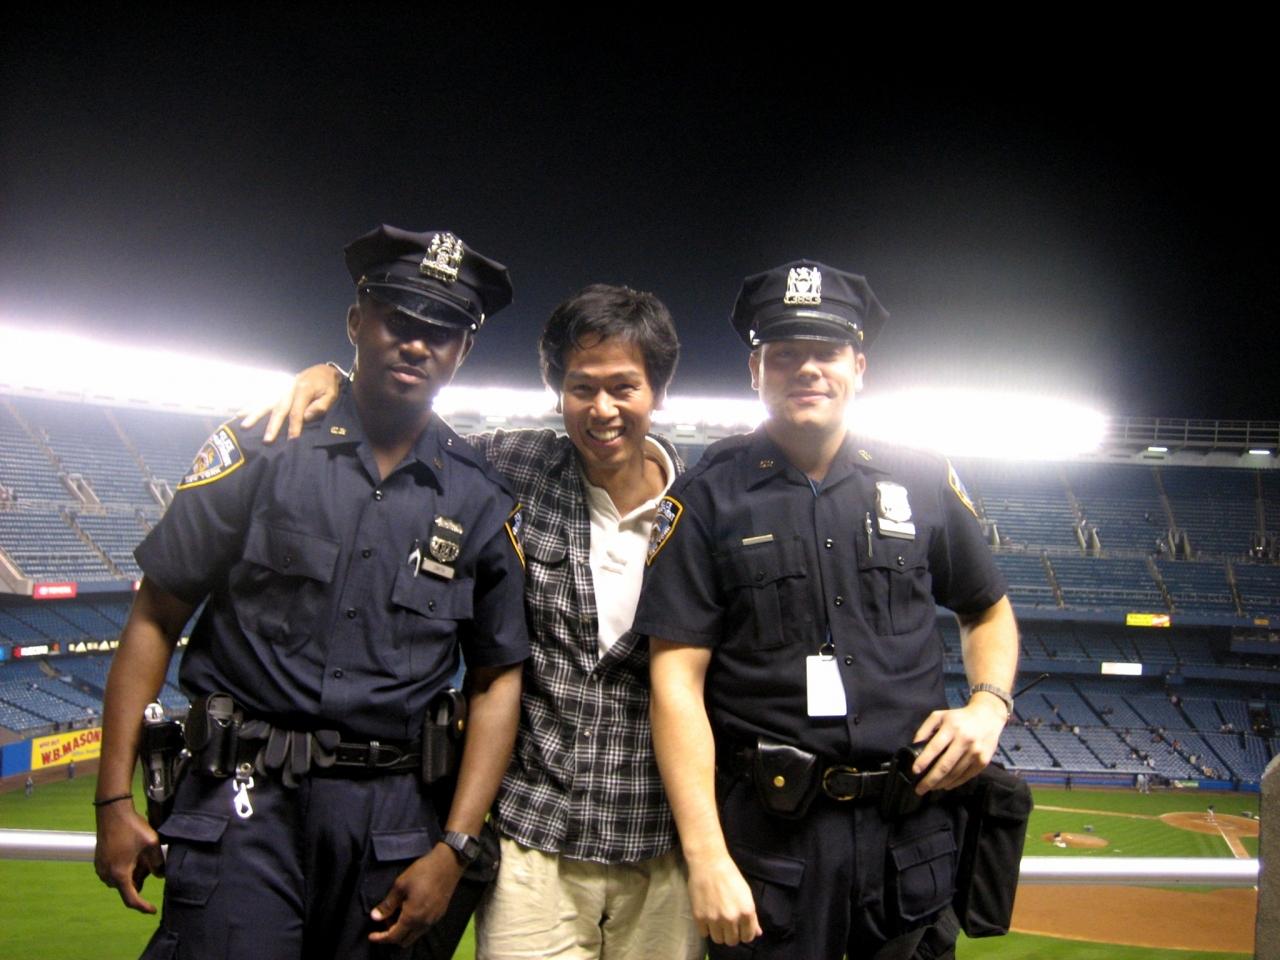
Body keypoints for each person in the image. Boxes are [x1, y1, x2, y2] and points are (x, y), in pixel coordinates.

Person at [93, 225, 529, 959]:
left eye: (441, 331)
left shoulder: (481, 498)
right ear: (357, 321)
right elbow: (155, 616)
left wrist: (455, 846)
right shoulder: (261, 445)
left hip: (393, 825)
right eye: (398, 319)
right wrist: (111, 799)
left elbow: (495, 682)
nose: (416, 343)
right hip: (243, 802)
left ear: (463, 351)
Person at [253, 284, 703, 959]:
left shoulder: (703, 505)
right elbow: (407, 428)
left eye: (624, 388)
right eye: (581, 388)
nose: (602, 409)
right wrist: (335, 379)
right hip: (533, 844)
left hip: (660, 844)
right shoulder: (512, 464)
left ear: (657, 392)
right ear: (557, 391)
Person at [636, 260, 1020, 959]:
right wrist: (707, 856)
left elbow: (987, 610)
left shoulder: (921, 477)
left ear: (858, 367)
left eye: (827, 352)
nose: (807, 369)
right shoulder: (705, 496)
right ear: (755, 370)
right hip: (773, 846)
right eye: (784, 353)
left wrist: (988, 706)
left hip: (911, 836)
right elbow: (676, 681)